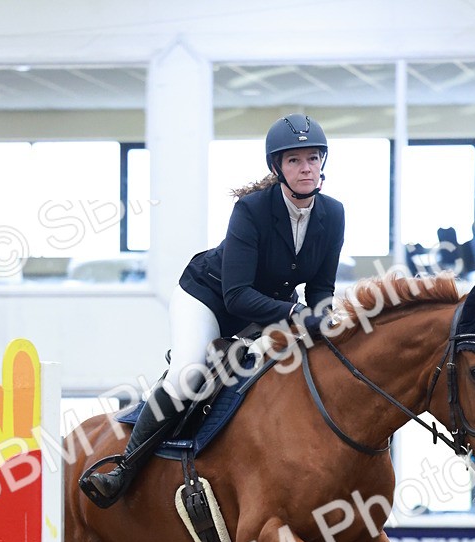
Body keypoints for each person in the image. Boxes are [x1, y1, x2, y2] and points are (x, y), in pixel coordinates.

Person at [81, 113, 346, 506]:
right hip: (208, 298)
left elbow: (321, 289)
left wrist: (324, 320)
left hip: (263, 313)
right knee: (189, 375)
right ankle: (123, 469)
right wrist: (294, 314)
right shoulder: (252, 210)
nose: (306, 168)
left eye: (312, 158)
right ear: (278, 167)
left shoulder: (334, 213)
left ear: (323, 162)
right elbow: (237, 295)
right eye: (294, 160)